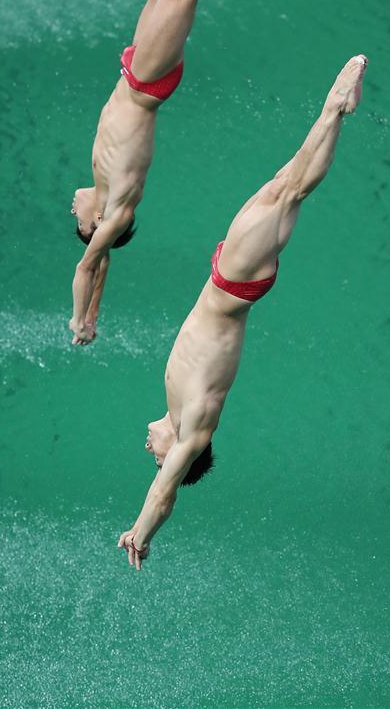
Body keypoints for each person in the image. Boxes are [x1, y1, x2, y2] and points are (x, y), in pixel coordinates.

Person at [118, 54, 369, 569]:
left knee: (284, 184)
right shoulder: (193, 431)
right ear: (174, 461)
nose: (150, 453)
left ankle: (335, 112)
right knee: (291, 190)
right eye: (157, 461)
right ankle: (335, 107)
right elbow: (166, 493)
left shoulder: (181, 413)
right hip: (233, 285)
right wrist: (141, 533)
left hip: (228, 282)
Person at [69, 0, 255, 345]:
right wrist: (77, 320)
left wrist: (95, 316)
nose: (72, 211)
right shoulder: (116, 212)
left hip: (137, 74)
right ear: (94, 227)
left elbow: (101, 266)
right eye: (78, 223)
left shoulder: (107, 204)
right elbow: (89, 266)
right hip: (146, 82)